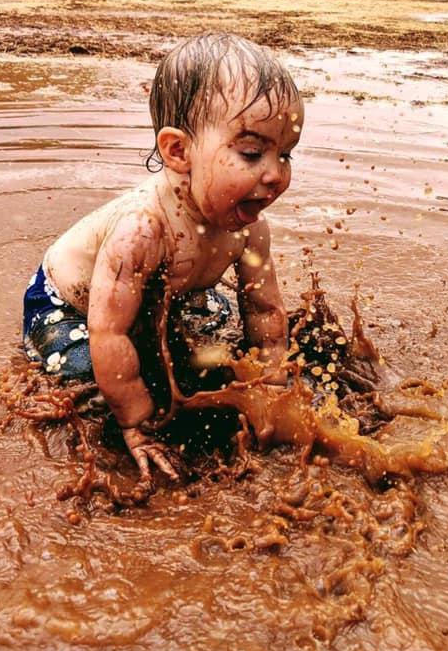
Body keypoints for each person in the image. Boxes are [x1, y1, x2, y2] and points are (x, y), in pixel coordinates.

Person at [23, 32, 303, 482]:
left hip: (167, 295)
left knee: (214, 341)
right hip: (69, 307)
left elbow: (266, 308)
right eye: (252, 153)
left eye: (285, 154)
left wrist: (271, 388)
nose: (274, 175)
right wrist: (135, 422)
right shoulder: (143, 229)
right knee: (91, 384)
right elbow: (108, 331)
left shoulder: (250, 228)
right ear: (178, 151)